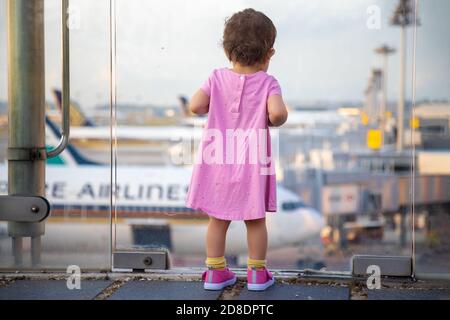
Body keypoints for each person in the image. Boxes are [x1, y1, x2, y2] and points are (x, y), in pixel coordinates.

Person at [186, 8, 288, 291]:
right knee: (255, 220)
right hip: (253, 161)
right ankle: (257, 274)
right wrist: (270, 116)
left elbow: (195, 106)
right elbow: (278, 115)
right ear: (269, 55)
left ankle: (215, 272)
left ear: (227, 51)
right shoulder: (269, 82)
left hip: (217, 159)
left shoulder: (216, 77)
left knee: (217, 220)